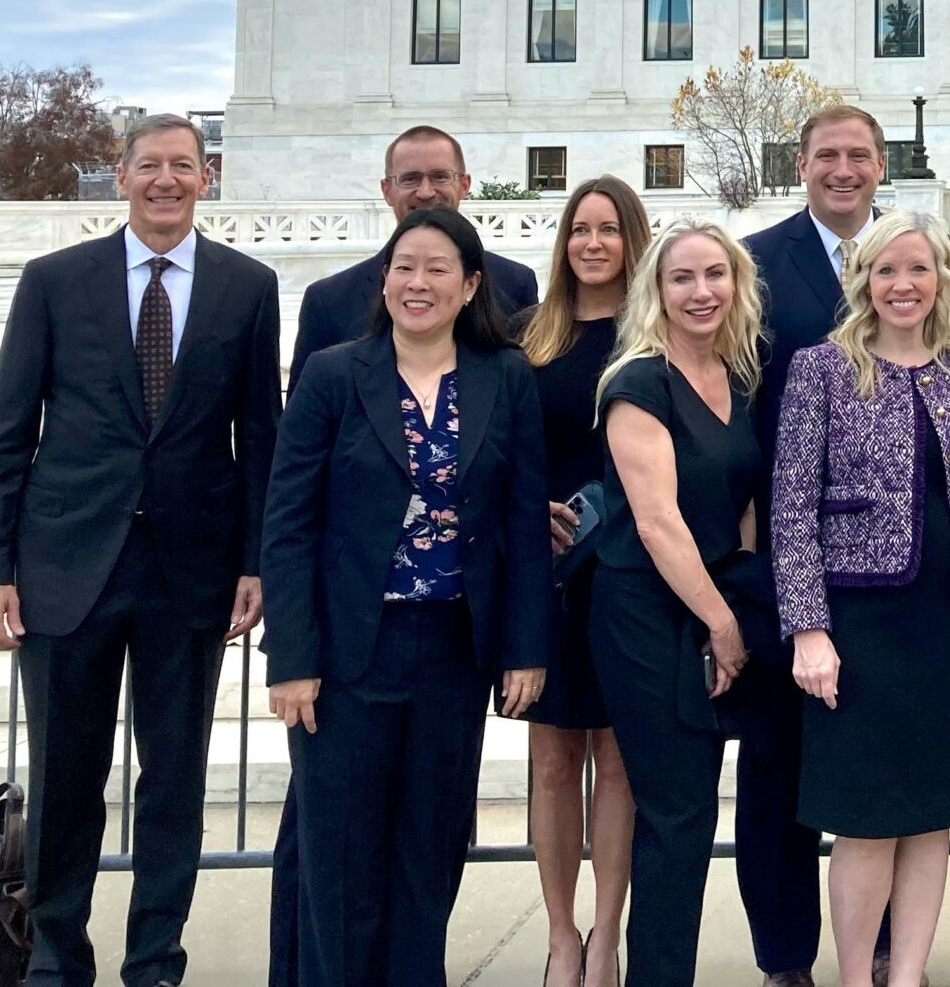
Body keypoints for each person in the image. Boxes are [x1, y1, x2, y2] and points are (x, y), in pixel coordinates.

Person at [0, 113, 281, 987]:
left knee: (173, 782)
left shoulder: (247, 288)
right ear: (120, 176)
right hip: (67, 570)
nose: (167, 180)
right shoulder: (55, 282)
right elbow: (5, 433)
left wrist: (256, 559)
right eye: (150, 165)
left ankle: (156, 962)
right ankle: (56, 957)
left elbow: (260, 437)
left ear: (206, 177)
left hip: (193, 574)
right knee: (67, 777)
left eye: (184, 165)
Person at [270, 123, 540, 987]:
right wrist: (294, 659)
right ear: (384, 280)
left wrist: (525, 646)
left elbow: (522, 522)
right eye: (403, 268)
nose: (417, 283)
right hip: (351, 653)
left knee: (429, 854)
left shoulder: (505, 379)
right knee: (340, 859)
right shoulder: (333, 375)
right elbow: (290, 523)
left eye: (437, 271)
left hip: (452, 652)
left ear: (469, 288)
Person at [771, 213, 950, 987]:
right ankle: (860, 976)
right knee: (864, 818)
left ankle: (911, 974)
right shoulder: (821, 369)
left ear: (942, 280)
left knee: (934, 815)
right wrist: (808, 630)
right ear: (864, 280)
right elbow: (791, 507)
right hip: (861, 627)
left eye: (917, 270)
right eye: (886, 271)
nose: (902, 286)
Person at [585, 220, 770, 987]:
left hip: (714, 602)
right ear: (654, 292)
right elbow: (659, 521)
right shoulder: (636, 381)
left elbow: (742, 501)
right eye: (682, 278)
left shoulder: (738, 373)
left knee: (693, 814)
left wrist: (743, 600)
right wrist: (722, 626)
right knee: (677, 813)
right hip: (645, 615)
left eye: (715, 276)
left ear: (738, 285)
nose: (702, 292)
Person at [738, 104, 889, 987]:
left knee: (874, 766)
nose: (843, 169)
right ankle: (786, 956)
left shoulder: (913, 250)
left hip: (889, 568)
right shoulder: (756, 262)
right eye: (827, 155)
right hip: (781, 547)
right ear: (800, 165)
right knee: (778, 770)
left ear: (881, 166)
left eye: (858, 156)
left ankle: (870, 949)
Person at [515, 177, 653, 987]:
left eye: (608, 229)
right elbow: (501, 449)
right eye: (580, 229)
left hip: (633, 570)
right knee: (554, 761)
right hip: (553, 576)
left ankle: (607, 936)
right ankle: (562, 936)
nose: (593, 243)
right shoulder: (531, 337)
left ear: (632, 241)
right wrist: (526, 508)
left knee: (620, 758)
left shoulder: (656, 334)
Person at [296, 126, 541, 353]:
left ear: (464, 185)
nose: (425, 192)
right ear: (386, 191)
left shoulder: (515, 284)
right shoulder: (329, 300)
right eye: (410, 179)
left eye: (440, 177)